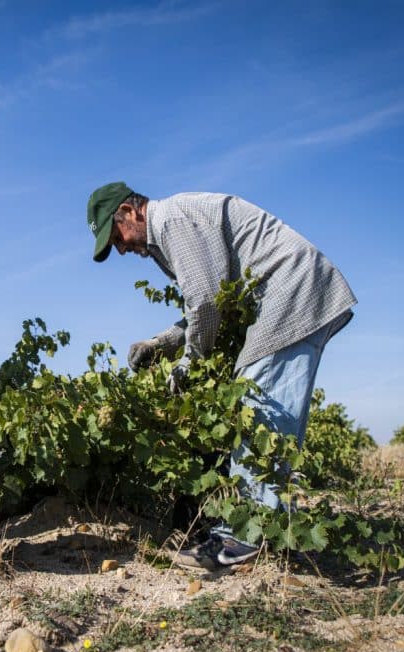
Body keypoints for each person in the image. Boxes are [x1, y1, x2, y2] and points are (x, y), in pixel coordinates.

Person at [86, 182, 356, 569]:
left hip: (288, 291)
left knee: (259, 404)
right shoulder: (172, 229)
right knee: (270, 412)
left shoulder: (173, 221)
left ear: (130, 212)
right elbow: (212, 299)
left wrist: (186, 364)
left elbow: (207, 303)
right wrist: (162, 341)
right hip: (300, 289)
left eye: (116, 238)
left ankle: (243, 538)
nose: (122, 249)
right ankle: (269, 528)